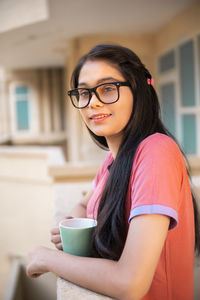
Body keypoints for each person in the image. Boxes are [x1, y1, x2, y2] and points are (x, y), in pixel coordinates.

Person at [26, 44, 200, 300]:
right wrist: (80, 234)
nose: (92, 102)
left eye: (107, 89)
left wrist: (47, 258)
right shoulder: (114, 161)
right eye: (84, 92)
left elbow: (130, 283)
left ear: (139, 90)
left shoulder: (156, 152)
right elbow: (83, 207)